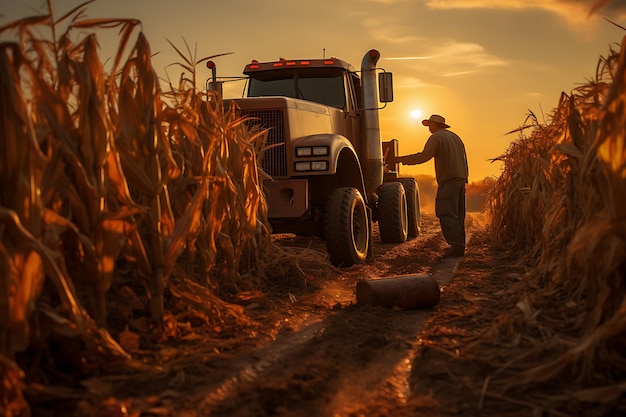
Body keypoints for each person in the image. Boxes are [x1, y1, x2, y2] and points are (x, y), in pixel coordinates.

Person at [394, 114, 468, 257]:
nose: (428, 128)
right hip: (461, 179)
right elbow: (464, 160)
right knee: (458, 214)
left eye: (430, 125)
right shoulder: (455, 137)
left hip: (448, 181)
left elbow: (424, 156)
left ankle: (456, 247)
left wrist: (401, 160)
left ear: (435, 125)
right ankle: (460, 246)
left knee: (446, 212)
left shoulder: (436, 138)